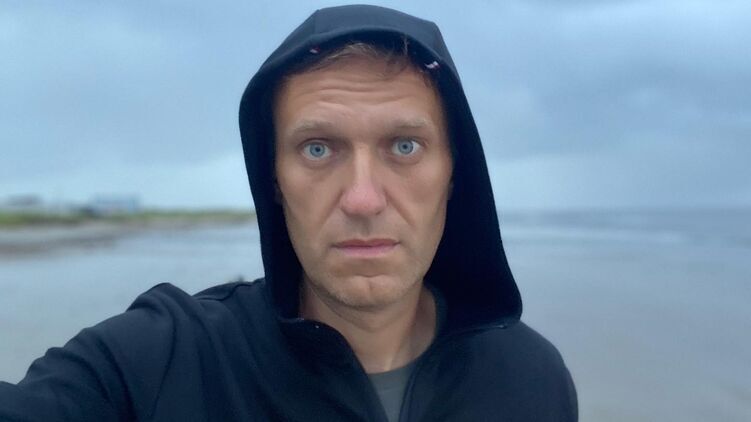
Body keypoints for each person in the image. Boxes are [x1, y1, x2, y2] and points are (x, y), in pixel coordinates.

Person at [0, 5, 577, 421]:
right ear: (273, 180)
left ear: (454, 173)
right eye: (318, 149)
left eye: (404, 146)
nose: (362, 199)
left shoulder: (532, 379)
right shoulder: (159, 362)